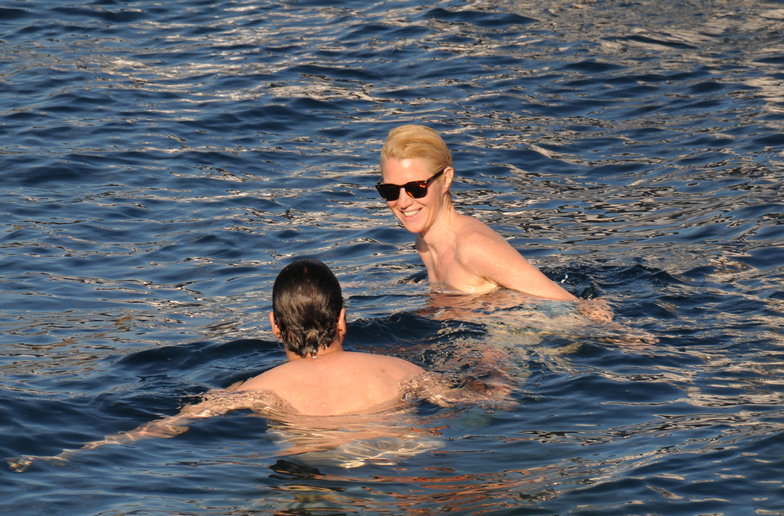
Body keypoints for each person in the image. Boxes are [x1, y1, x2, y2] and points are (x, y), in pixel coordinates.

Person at [8, 259, 509, 472]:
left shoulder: (257, 390)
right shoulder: (398, 371)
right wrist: (497, 365)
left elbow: (163, 428)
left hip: (315, 472)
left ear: (273, 325)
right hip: (403, 462)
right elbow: (486, 402)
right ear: (343, 320)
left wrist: (72, 455)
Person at [377, 124, 613, 322]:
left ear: (446, 179)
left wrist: (622, 338)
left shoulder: (472, 246)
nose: (403, 202)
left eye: (416, 188)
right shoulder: (424, 244)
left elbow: (572, 304)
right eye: (390, 191)